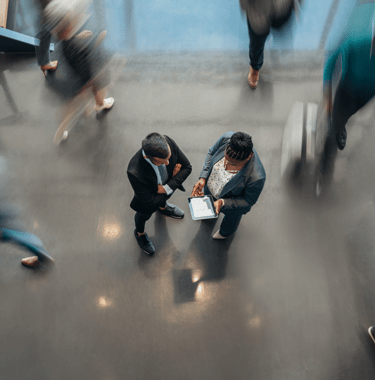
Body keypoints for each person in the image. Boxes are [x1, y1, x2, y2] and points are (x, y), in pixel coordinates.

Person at [43, 0, 114, 145]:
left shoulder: (61, 40)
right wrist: (97, 41)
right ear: (68, 26)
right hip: (78, 82)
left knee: (96, 86)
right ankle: (60, 133)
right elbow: (84, 68)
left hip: (73, 77)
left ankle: (99, 104)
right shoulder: (73, 48)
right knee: (71, 109)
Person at [191, 132, 265, 239]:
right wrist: (203, 178)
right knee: (209, 206)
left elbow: (248, 202)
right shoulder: (226, 138)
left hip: (230, 204)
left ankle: (225, 233)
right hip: (211, 187)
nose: (226, 165)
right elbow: (211, 152)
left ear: (249, 157)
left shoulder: (256, 177)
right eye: (225, 158)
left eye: (234, 164)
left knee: (231, 220)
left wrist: (223, 202)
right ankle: (209, 213)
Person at [127, 133, 192, 255]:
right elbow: (150, 203)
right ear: (148, 157)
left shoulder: (168, 142)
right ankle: (140, 233)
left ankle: (163, 207)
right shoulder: (134, 172)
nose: (168, 163)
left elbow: (187, 167)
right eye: (162, 162)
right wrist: (174, 181)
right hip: (146, 203)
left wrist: (165, 188)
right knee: (143, 216)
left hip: (161, 190)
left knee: (161, 200)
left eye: (169, 158)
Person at [323, 0, 375, 152]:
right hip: (347, 90)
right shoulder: (357, 37)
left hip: (366, 94)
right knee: (333, 127)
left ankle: (340, 125)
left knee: (345, 116)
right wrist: (328, 94)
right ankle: (327, 158)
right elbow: (331, 61)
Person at [239, 0, 300, 89]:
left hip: (282, 9)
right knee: (257, 43)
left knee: (280, 31)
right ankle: (255, 67)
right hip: (258, 11)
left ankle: (269, 34)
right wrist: (246, 7)